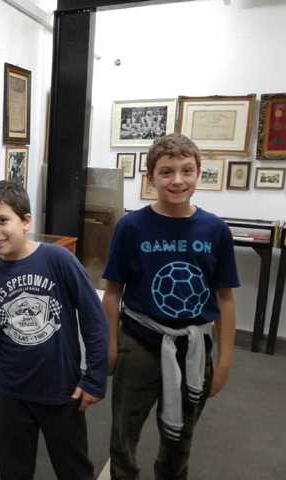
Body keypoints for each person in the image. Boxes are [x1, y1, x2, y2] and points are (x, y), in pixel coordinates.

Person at [0, 180, 109, 480]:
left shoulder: (58, 260)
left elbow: (94, 318)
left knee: (74, 469)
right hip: (10, 394)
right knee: (14, 471)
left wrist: (95, 378)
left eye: (2, 220)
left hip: (62, 391)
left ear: (26, 221)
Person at [102, 133, 239, 480]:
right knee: (124, 431)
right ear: (151, 178)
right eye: (166, 172)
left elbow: (225, 298)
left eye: (186, 170)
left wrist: (224, 360)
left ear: (198, 173)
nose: (177, 180)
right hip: (139, 343)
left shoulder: (215, 230)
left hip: (194, 346)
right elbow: (113, 292)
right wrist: (111, 345)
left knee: (180, 438)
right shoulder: (131, 227)